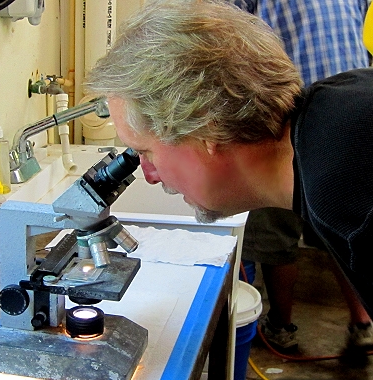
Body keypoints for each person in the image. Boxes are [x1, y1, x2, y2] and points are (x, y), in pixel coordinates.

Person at [85, 0, 373, 341]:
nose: (150, 174)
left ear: (207, 128)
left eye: (147, 152)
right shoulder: (338, 104)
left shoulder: (346, 188)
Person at [235, 0, 373, 350]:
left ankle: (281, 326)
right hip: (356, 110)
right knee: (344, 230)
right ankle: (363, 324)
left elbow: (226, 40)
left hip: (290, 120)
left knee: (277, 234)